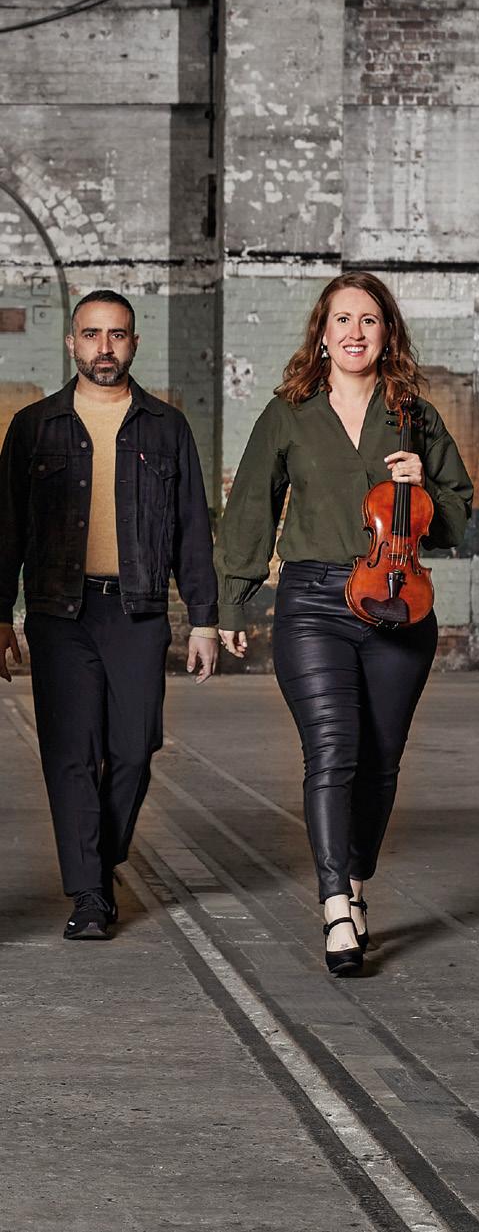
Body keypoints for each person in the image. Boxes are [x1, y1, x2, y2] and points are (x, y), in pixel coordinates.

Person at [215, 272, 472, 976]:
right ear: (322, 334)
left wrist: (422, 485)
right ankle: (334, 904)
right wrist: (233, 600)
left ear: (387, 333)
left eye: (369, 320)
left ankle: (355, 881)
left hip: (399, 601)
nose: (355, 332)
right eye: (342, 320)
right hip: (313, 603)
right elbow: (250, 508)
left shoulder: (415, 416)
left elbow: (457, 512)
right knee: (332, 750)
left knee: (381, 761)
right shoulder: (289, 413)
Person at [0, 289, 219, 939]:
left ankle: (97, 857)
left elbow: (192, 528)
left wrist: (203, 617)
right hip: (59, 612)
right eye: (91, 334)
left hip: (137, 609)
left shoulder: (166, 427)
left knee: (134, 747)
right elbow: (6, 529)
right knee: (69, 752)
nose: (104, 347)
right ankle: (91, 894)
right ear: (72, 343)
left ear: (133, 343)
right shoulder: (34, 427)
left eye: (116, 334)